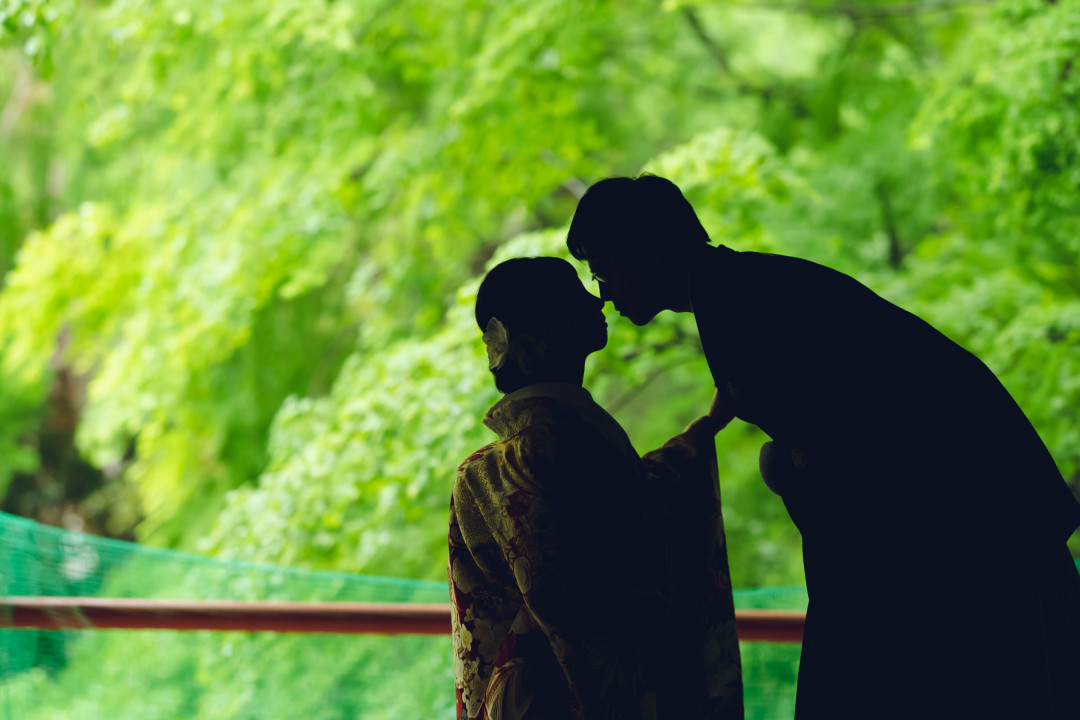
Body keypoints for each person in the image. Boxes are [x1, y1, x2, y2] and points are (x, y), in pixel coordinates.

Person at [566, 174, 1080, 719]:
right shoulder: (738, 287)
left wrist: (786, 465)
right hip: (977, 503)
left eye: (602, 270)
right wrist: (707, 430)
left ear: (651, 249)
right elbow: (762, 382)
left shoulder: (737, 305)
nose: (604, 294)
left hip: (967, 522)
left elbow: (843, 432)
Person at [448, 256, 743, 720]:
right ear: (530, 350)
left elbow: (638, 502)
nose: (598, 297)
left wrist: (705, 429)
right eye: (572, 295)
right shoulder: (522, 464)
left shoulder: (506, 468)